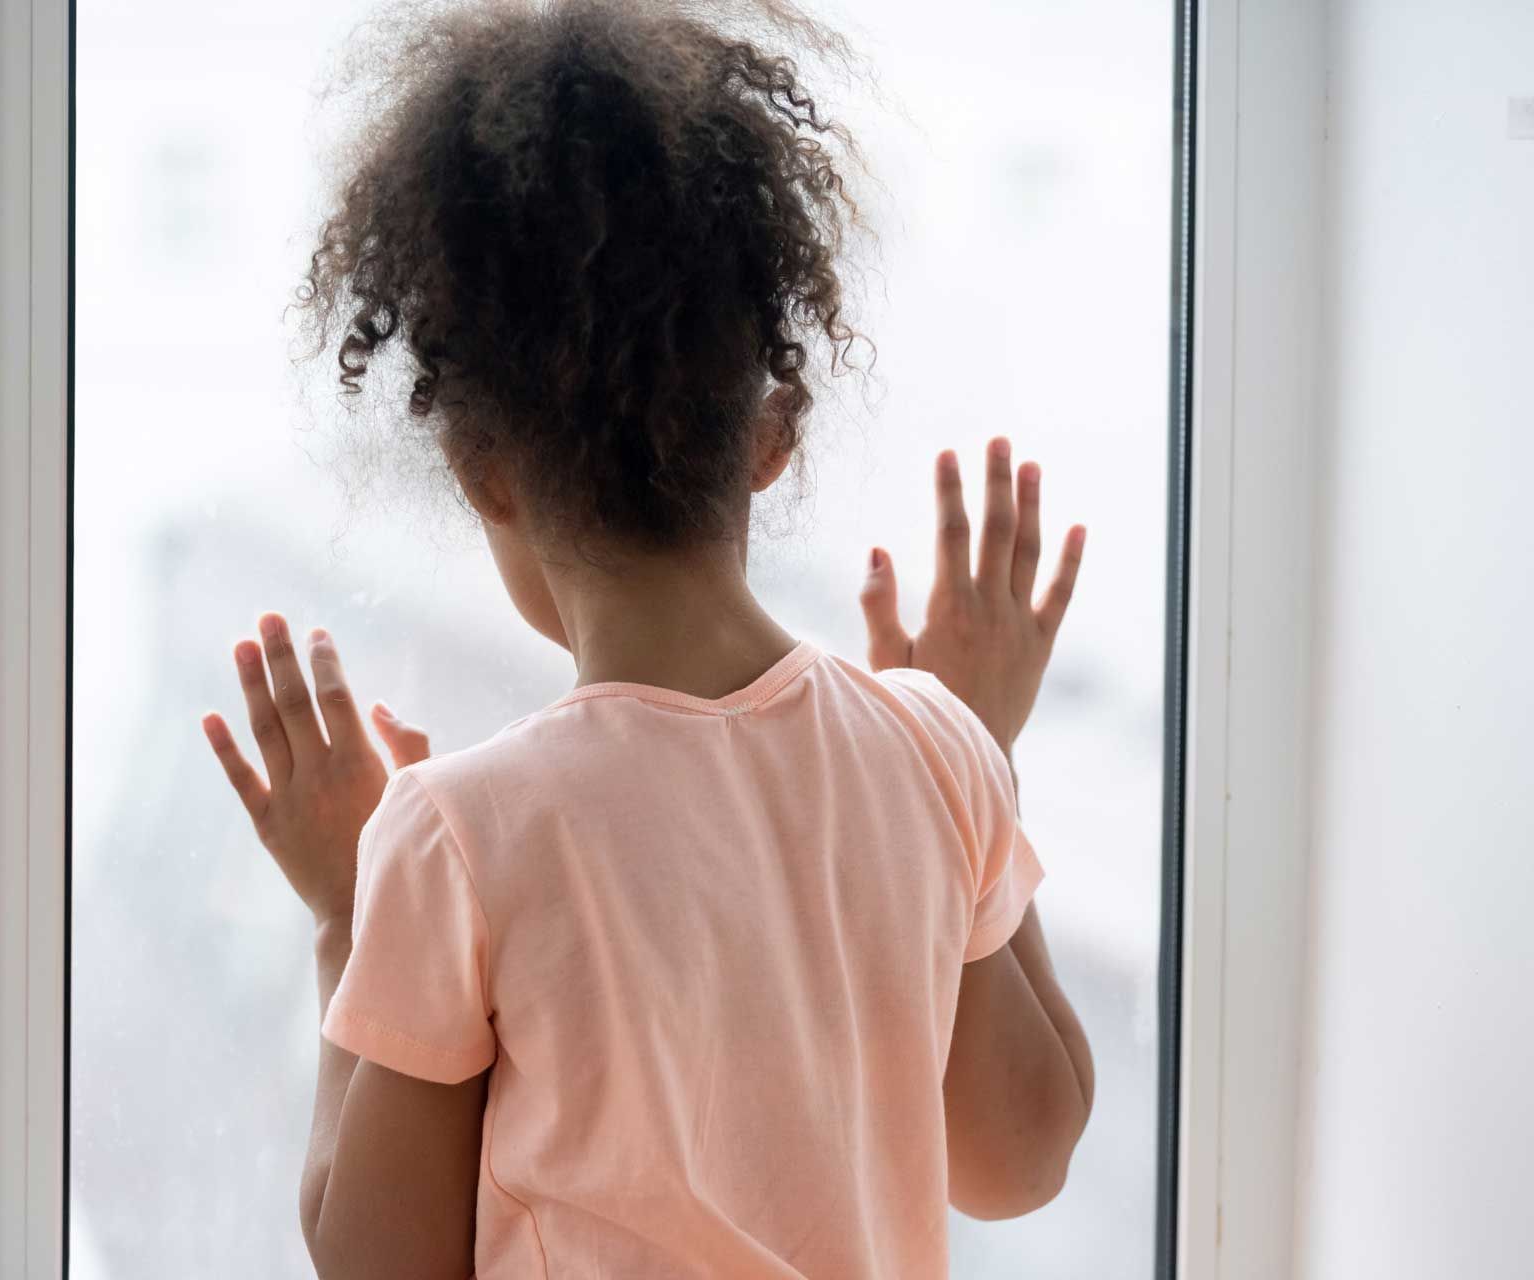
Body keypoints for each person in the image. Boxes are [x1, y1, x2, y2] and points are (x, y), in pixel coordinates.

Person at [199, 2, 1094, 1275]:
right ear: (774, 430)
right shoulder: (932, 751)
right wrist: (974, 757)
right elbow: (1022, 1155)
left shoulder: (456, 840)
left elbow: (376, 1264)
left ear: (480, 467)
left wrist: (355, 916)